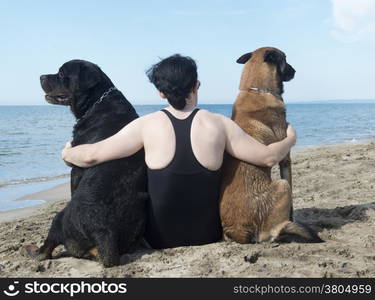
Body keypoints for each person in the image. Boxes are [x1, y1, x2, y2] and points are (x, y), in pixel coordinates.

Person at [61, 54, 297, 249]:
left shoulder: (146, 125)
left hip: (158, 239)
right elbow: (268, 157)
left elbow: (92, 155)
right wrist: (290, 138)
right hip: (207, 235)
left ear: (161, 92)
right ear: (196, 86)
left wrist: (68, 154)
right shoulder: (219, 124)